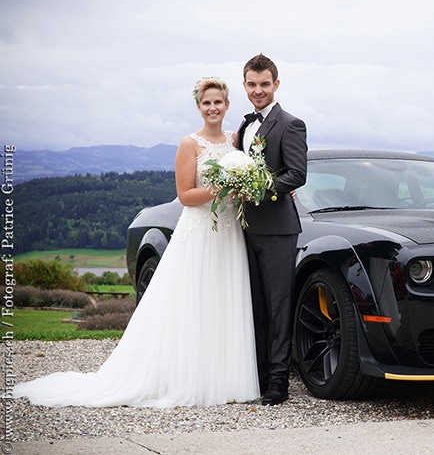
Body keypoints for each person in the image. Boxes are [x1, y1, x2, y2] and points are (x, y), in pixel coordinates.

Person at [14, 77, 260, 407]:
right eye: (207, 103)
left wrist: (243, 186)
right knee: (193, 301)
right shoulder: (190, 144)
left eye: (218, 102)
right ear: (199, 107)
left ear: (228, 105)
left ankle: (227, 380)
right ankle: (189, 379)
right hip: (200, 233)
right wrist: (222, 188)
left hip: (230, 233)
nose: (213, 108)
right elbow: (185, 195)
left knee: (225, 298)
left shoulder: (235, 142)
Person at [237, 54, 307, 405]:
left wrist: (258, 189)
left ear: (276, 85)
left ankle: (279, 382)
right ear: (244, 85)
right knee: (254, 306)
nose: (258, 90)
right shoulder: (245, 126)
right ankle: (259, 376)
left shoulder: (290, 124)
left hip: (278, 229)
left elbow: (296, 174)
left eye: (265, 84)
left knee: (278, 307)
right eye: (252, 84)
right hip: (244, 230)